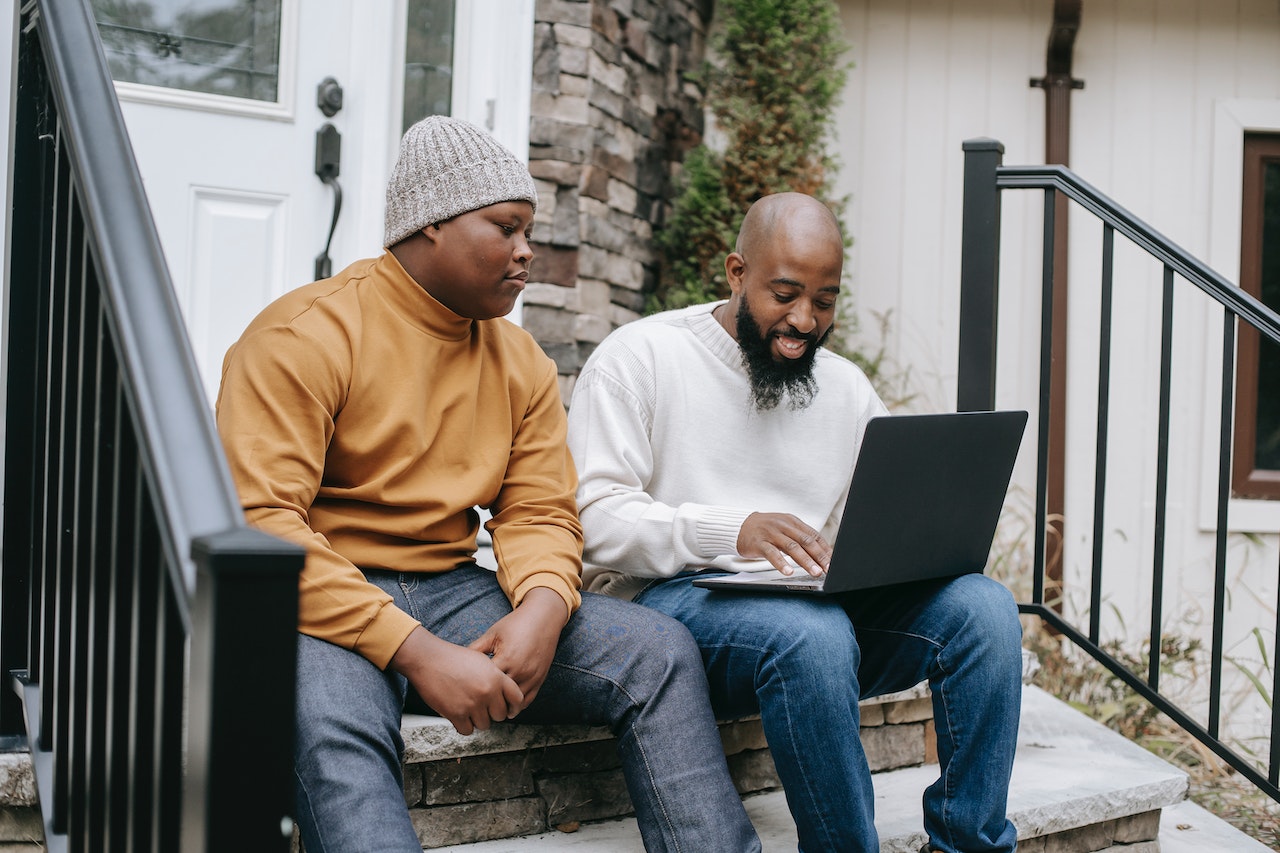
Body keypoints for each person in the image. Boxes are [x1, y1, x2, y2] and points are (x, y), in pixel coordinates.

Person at [215, 115, 761, 853]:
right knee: (333, 732)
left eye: (529, 230)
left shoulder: (520, 360)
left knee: (657, 651)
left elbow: (540, 510)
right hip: (324, 599)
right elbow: (263, 524)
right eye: (506, 228)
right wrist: (416, 652)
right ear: (431, 223)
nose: (527, 250)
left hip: (451, 587)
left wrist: (543, 605)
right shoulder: (303, 336)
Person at [566, 192, 1023, 853]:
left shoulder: (845, 387)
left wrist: (907, 548)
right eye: (784, 294)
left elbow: (880, 515)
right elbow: (593, 518)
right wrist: (732, 528)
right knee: (810, 633)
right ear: (736, 273)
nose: (804, 320)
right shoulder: (641, 357)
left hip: (804, 604)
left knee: (983, 609)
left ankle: (969, 845)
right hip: (671, 602)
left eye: (825, 301)